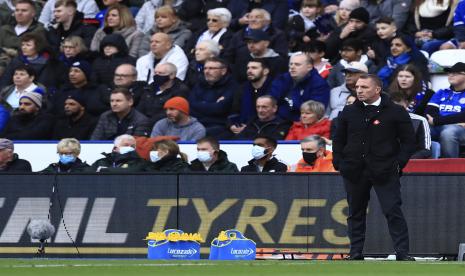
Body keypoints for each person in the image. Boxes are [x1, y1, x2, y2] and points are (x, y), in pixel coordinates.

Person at [332, 74, 416, 261]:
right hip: (354, 170)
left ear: (377, 89)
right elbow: (338, 139)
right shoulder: (348, 112)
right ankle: (355, 253)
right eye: (358, 87)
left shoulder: (396, 111)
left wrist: (398, 163)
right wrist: (338, 161)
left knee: (392, 210)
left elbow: (409, 142)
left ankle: (403, 253)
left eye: (364, 87)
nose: (359, 91)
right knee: (355, 213)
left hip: (385, 170)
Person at [270, 52, 330, 122]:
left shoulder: (319, 84)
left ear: (309, 67)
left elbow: (315, 112)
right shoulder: (283, 79)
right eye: (291, 64)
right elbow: (272, 100)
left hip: (303, 124)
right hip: (278, 121)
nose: (292, 67)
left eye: (297, 64)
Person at [188, 57, 238, 137]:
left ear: (223, 71)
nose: (207, 71)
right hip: (197, 123)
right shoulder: (199, 85)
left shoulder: (232, 86)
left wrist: (201, 104)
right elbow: (190, 106)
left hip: (219, 126)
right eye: (205, 68)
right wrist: (212, 105)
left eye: (211, 68)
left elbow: (220, 108)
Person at [425, 62, 465, 158]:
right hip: (440, 126)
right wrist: (439, 121)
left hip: (459, 130)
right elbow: (430, 111)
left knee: (448, 132)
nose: (451, 75)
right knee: (421, 130)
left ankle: (451, 170)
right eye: (450, 72)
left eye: (456, 73)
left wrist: (437, 121)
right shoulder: (442, 92)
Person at [232, 59, 273, 127]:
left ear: (265, 71)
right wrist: (233, 124)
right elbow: (235, 110)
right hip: (241, 127)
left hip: (265, 128)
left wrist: (249, 127)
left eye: (254, 68)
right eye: (248, 68)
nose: (249, 71)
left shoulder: (275, 88)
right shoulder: (242, 88)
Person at [391, 91, 432, 159]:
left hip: (411, 163)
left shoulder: (420, 120)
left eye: (399, 106)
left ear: (407, 104)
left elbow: (426, 150)